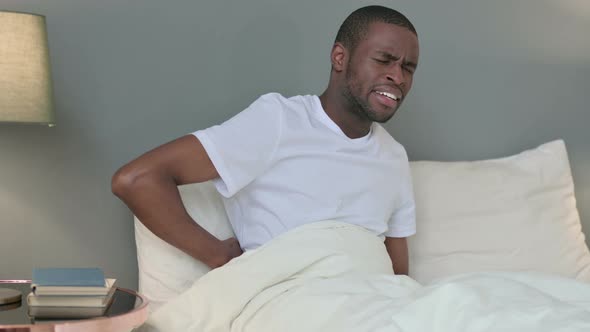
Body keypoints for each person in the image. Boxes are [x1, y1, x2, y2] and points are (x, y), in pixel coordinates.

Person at [112, 5, 419, 275]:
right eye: (384, 60)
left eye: (408, 67)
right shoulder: (279, 121)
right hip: (295, 299)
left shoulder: (393, 156)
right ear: (340, 57)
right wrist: (219, 255)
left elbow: (398, 276)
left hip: (374, 302)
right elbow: (136, 180)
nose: (399, 77)